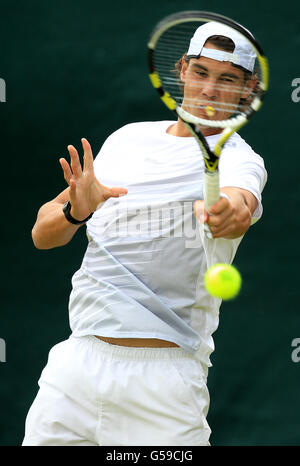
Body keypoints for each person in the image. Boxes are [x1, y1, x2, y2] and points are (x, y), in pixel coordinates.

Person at [22, 21, 267, 446]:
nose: (210, 90)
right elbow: (43, 235)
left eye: (227, 79)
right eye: (202, 72)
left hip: (164, 381)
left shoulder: (242, 161)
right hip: (75, 370)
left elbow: (240, 206)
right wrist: (77, 210)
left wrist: (226, 213)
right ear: (182, 71)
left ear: (247, 91)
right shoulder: (126, 141)